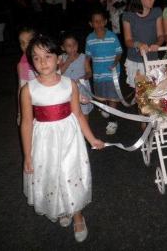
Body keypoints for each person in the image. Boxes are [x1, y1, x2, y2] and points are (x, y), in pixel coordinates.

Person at [20, 35, 104, 242]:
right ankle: (62, 208)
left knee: (70, 173)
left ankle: (77, 215)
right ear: (31, 61)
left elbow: (78, 114)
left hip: (69, 139)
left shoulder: (69, 84)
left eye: (48, 56)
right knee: (53, 174)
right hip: (44, 143)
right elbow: (27, 123)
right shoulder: (28, 89)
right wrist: (27, 155)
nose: (42, 62)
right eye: (36, 58)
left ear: (58, 58)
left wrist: (92, 138)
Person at [86, 9, 122, 135]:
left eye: (101, 21)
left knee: (112, 97)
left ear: (105, 21)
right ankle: (104, 108)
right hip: (98, 74)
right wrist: (88, 70)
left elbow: (119, 51)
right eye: (96, 22)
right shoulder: (90, 39)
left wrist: (115, 62)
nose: (99, 23)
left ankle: (113, 121)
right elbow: (88, 57)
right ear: (91, 24)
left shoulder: (112, 36)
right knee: (101, 97)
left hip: (112, 74)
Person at [122, 0, 164, 88]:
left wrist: (158, 44)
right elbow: (128, 41)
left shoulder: (157, 12)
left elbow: (161, 36)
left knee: (155, 91)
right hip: (135, 60)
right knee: (140, 95)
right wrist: (139, 45)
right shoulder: (128, 15)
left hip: (152, 59)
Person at [60, 33, 94, 121]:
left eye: (74, 44)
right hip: (68, 90)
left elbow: (89, 72)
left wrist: (84, 77)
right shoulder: (61, 58)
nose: (72, 47)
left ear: (77, 45)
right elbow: (58, 73)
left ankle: (83, 131)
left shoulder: (83, 57)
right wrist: (67, 62)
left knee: (84, 111)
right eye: (68, 46)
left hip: (82, 89)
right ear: (63, 48)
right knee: (70, 112)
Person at [17, 27, 36, 125]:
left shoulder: (44, 57)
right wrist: (20, 112)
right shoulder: (23, 64)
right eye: (21, 43)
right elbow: (21, 88)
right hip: (32, 104)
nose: (24, 46)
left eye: (27, 42)